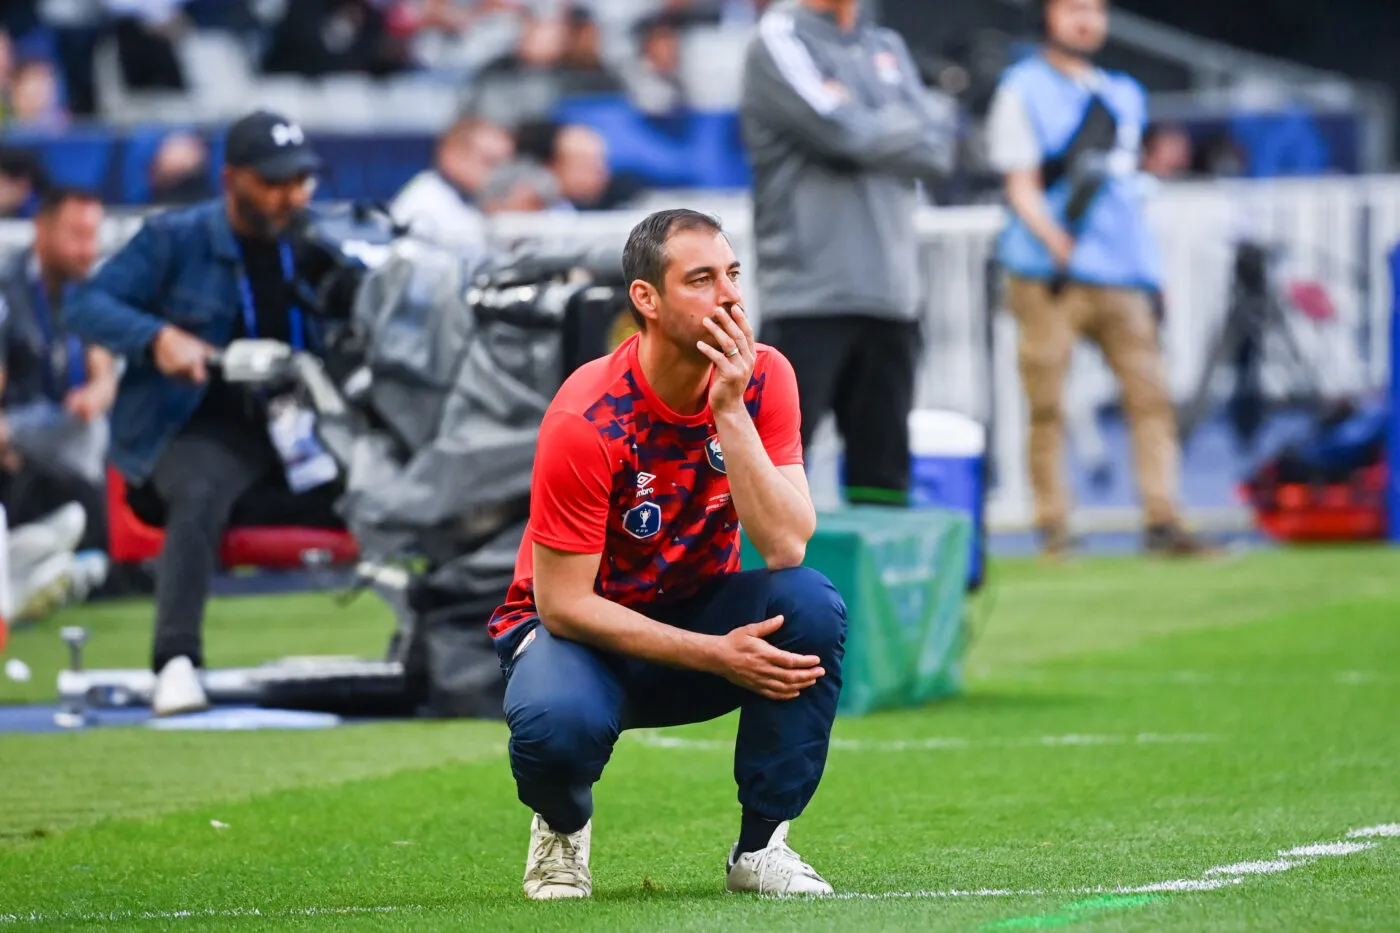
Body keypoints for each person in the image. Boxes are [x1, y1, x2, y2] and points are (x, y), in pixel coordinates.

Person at [488, 209, 847, 900]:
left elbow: (785, 545)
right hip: (580, 636)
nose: (732, 297)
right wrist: (717, 654)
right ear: (646, 300)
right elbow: (562, 605)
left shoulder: (764, 377)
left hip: (692, 607)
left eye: (734, 275)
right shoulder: (585, 416)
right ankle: (561, 828)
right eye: (703, 280)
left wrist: (731, 413)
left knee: (808, 603)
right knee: (555, 725)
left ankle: (761, 846)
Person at [65, 109, 345, 716]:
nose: (290, 195)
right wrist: (157, 337)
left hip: (296, 437)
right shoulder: (174, 239)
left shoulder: (316, 242)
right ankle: (175, 662)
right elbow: (84, 305)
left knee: (402, 483)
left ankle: (451, 645)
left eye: (300, 180)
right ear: (232, 179)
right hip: (190, 428)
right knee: (201, 488)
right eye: (275, 181)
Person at [985, 0, 1209, 558]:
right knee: (1048, 405)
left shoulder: (1122, 94)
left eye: (1095, 9)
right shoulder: (1021, 88)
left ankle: (1163, 520)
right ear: (1049, 17)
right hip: (1048, 273)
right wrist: (1058, 243)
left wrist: (1149, 271)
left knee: (1151, 398)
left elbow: (1126, 189)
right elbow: (1022, 185)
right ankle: (1055, 529)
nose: (1086, 20)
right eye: (1073, 8)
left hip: (1121, 272)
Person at [739, 0, 954, 507]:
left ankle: (871, 591)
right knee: (775, 470)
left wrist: (859, 114)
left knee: (882, 481)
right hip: (807, 293)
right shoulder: (778, 39)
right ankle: (765, 589)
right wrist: (903, 119)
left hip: (891, 293)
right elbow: (842, 134)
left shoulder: (885, 44)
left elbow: (941, 148)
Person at [0, 186, 115, 556]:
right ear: (42, 229)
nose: (89, 250)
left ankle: (74, 549)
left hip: (62, 429)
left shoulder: (85, 291)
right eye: (77, 236)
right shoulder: (8, 287)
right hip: (15, 430)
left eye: (93, 236)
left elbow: (104, 375)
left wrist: (93, 397)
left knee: (95, 428)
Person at [389, 116, 514, 249]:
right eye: (490, 162)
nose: (497, 174)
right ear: (454, 153)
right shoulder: (425, 202)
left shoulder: (470, 199)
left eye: (502, 165)